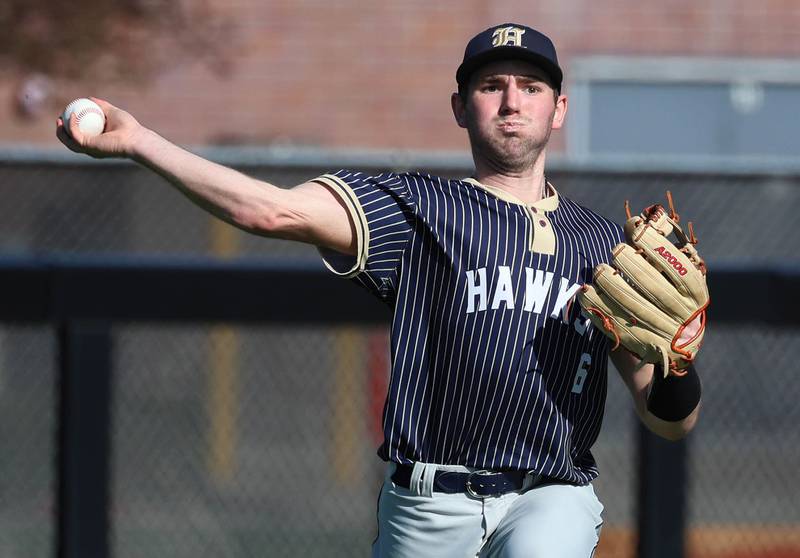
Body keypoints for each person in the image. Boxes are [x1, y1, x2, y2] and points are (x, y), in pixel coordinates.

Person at [57, 23, 703, 558]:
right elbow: (271, 211)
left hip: (550, 494)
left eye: (532, 88)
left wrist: (678, 364)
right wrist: (139, 141)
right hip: (426, 505)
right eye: (491, 86)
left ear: (559, 109)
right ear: (460, 107)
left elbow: (668, 419)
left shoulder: (604, 249)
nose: (512, 101)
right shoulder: (413, 207)